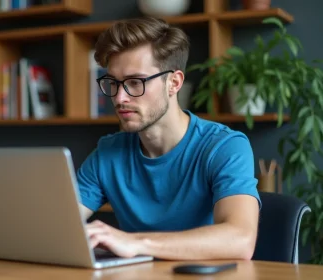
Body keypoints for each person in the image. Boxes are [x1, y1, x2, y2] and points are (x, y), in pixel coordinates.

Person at [77, 16, 261, 261]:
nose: (119, 98)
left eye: (135, 82)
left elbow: (240, 240)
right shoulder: (107, 153)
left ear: (174, 83)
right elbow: (57, 226)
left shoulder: (224, 146)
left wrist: (135, 242)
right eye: (112, 83)